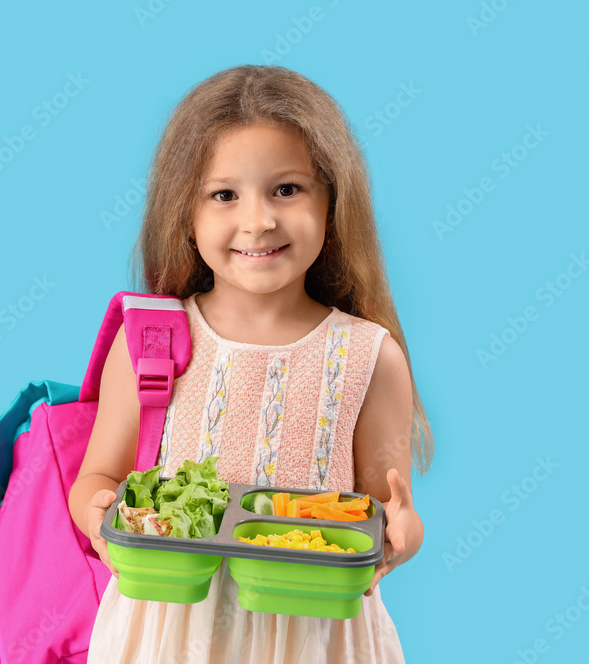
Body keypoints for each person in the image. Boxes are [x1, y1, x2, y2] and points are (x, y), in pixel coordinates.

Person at [67, 64, 434, 663]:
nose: (258, 220)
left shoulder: (370, 356)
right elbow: (97, 478)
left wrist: (401, 534)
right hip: (172, 632)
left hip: (314, 635)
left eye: (286, 189)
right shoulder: (151, 341)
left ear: (333, 206)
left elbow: (388, 507)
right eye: (224, 194)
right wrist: (99, 516)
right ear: (185, 215)